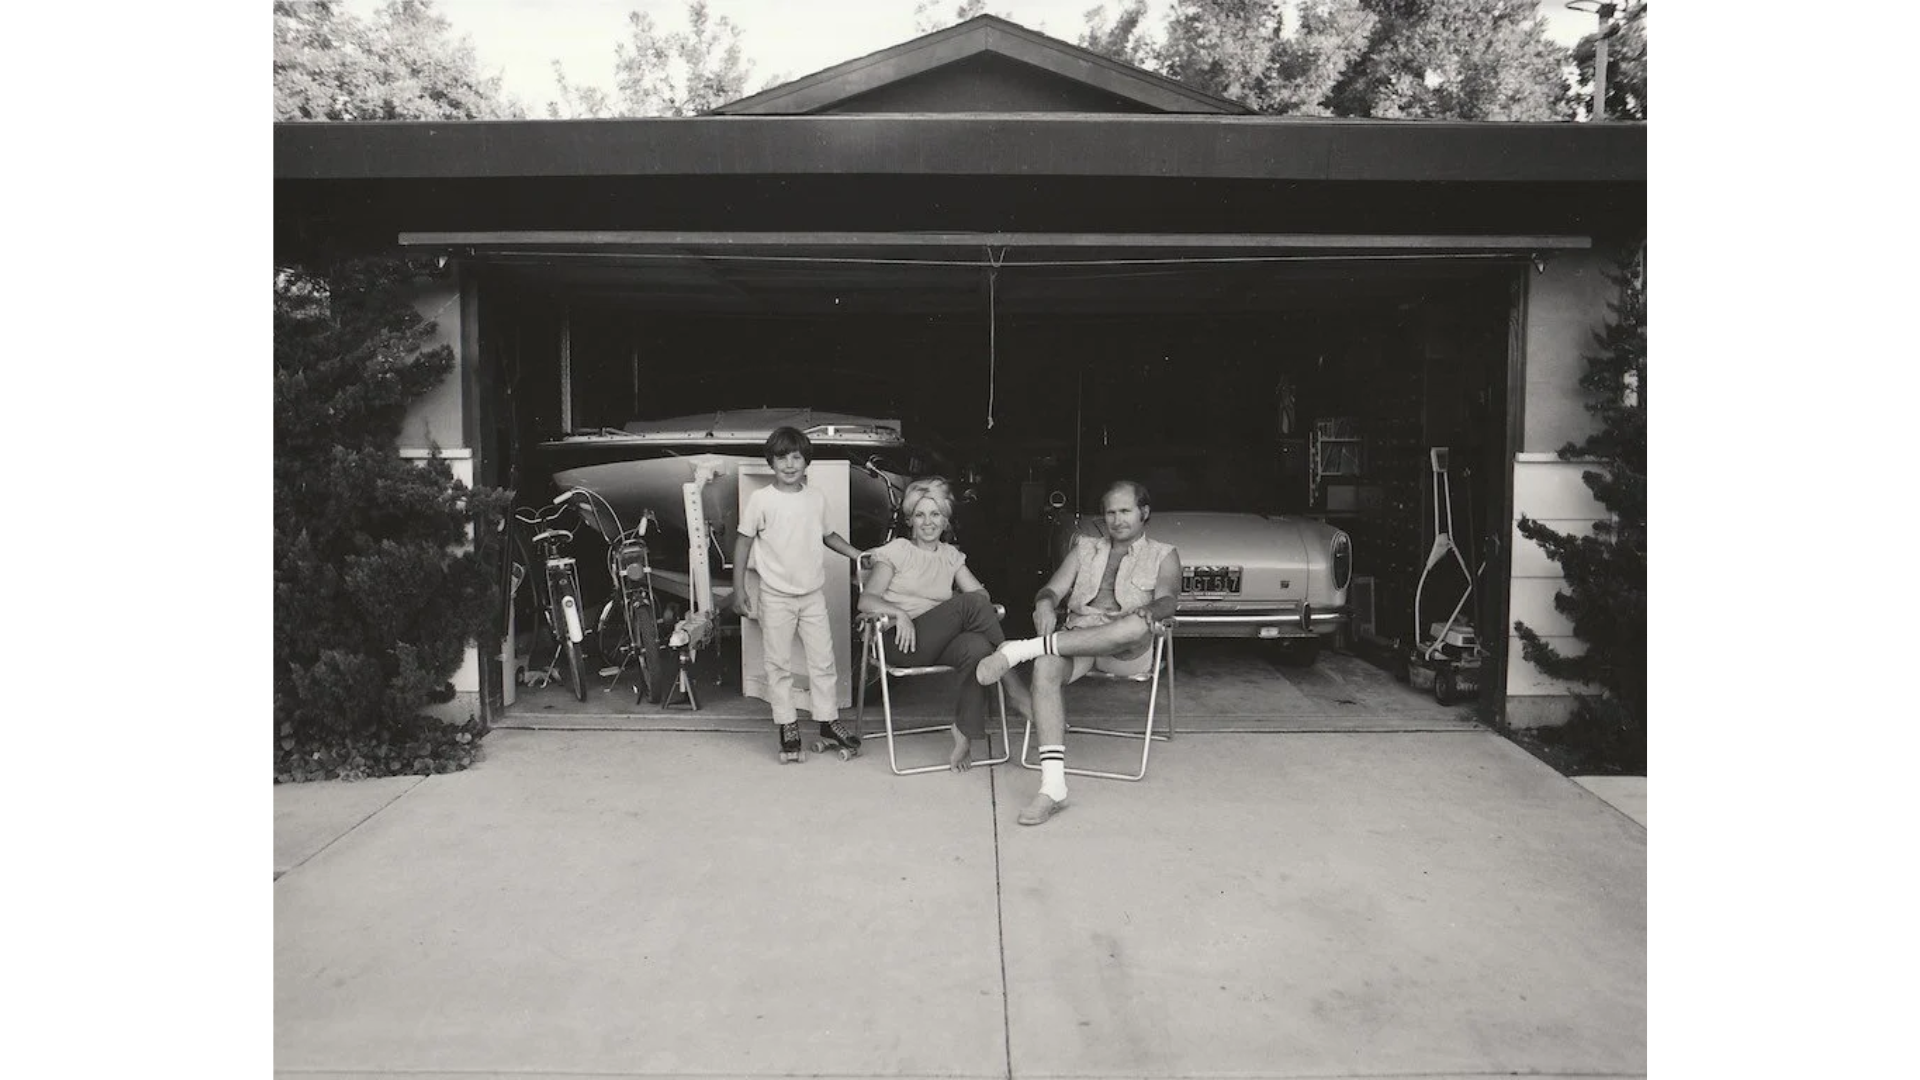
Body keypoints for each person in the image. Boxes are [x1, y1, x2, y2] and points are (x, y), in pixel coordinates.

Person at [974, 480, 1181, 825]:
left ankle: (1020, 650)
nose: (1117, 520)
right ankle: (1053, 788)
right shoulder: (1084, 548)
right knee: (1046, 665)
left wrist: (1153, 610)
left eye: (1125, 511)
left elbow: (1168, 599)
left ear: (1144, 512)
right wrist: (1044, 604)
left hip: (1127, 648)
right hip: (1079, 639)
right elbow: (1052, 589)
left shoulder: (1163, 553)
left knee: (1135, 624)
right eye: (1110, 512)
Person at [858, 477, 1036, 772]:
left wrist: (949, 605)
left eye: (935, 514)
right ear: (910, 520)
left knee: (977, 646)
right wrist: (900, 614)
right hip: (900, 642)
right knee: (971, 605)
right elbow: (866, 600)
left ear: (945, 520)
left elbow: (980, 596)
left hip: (936, 640)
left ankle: (964, 731)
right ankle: (1015, 689)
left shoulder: (951, 556)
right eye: (920, 515)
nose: (928, 522)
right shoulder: (897, 551)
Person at [731, 426, 866, 763]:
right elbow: (743, 542)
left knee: (823, 660)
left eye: (796, 457)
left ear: (807, 461)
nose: (789, 465)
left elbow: (828, 535)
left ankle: (828, 720)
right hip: (775, 596)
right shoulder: (761, 499)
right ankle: (787, 724)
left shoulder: (815, 498)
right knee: (778, 663)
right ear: (771, 462)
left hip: (812, 595)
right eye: (782, 458)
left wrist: (859, 555)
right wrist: (738, 589)